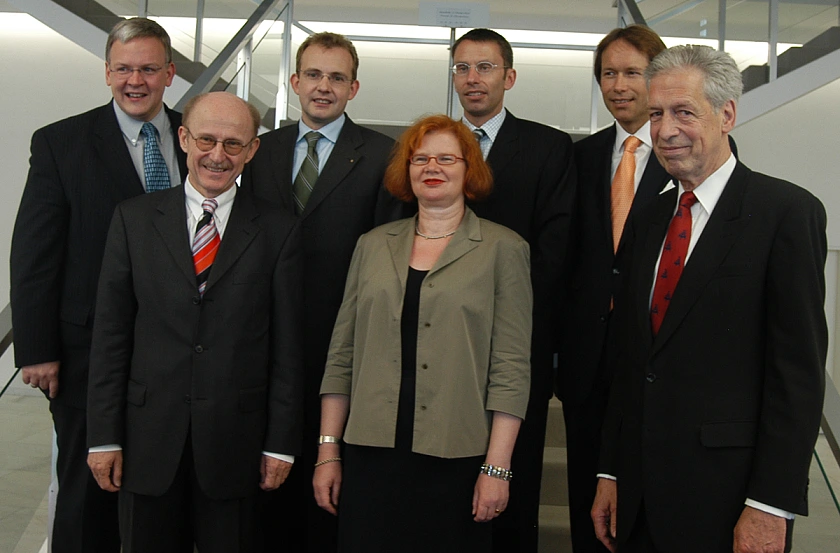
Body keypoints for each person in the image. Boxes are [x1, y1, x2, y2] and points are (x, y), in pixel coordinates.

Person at [592, 45, 827, 553]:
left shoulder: (785, 213)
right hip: (638, 498)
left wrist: (770, 505)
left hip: (730, 501)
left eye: (684, 112)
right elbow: (631, 361)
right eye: (656, 114)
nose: (665, 130)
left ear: (727, 114)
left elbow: (797, 376)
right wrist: (610, 471)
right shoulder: (648, 219)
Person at [85, 91, 303, 552]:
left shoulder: (279, 230)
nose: (217, 155)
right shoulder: (133, 220)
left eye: (233, 144)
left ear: (252, 150)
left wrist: (280, 443)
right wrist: (103, 437)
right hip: (147, 441)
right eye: (206, 140)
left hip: (236, 445)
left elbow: (288, 348)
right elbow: (110, 336)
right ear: (184, 138)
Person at [313, 114, 532, 552]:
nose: (432, 167)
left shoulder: (504, 248)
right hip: (370, 452)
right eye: (420, 158)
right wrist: (328, 451)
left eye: (446, 158)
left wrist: (497, 468)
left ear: (469, 169)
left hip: (457, 453)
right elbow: (342, 355)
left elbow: (511, 368)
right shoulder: (372, 244)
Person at [9, 17, 186, 553]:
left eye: (149, 69)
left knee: (160, 492)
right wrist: (36, 349)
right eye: (124, 69)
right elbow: (35, 254)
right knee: (87, 493)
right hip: (85, 353)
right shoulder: (61, 143)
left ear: (169, 74)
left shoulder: (196, 137)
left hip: (175, 353)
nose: (136, 81)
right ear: (107, 72)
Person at [239, 31, 403, 552]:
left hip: (339, 340)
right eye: (313, 74)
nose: (323, 87)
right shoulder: (261, 151)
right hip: (263, 339)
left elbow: (388, 254)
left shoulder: (382, 155)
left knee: (327, 484)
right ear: (294, 82)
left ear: (354, 88)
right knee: (264, 482)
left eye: (336, 77)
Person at [450, 28, 576, 552]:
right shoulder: (434, 144)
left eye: (485, 67)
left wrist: (500, 315)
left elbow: (554, 250)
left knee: (511, 495)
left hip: (516, 340)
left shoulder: (548, 147)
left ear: (510, 76)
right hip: (445, 340)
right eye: (462, 67)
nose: (472, 78)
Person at [558, 25, 667, 553]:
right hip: (587, 359)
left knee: (645, 503)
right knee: (586, 500)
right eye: (608, 74)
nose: (619, 85)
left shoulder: (684, 151)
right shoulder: (580, 156)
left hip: (652, 352)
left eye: (632, 73)